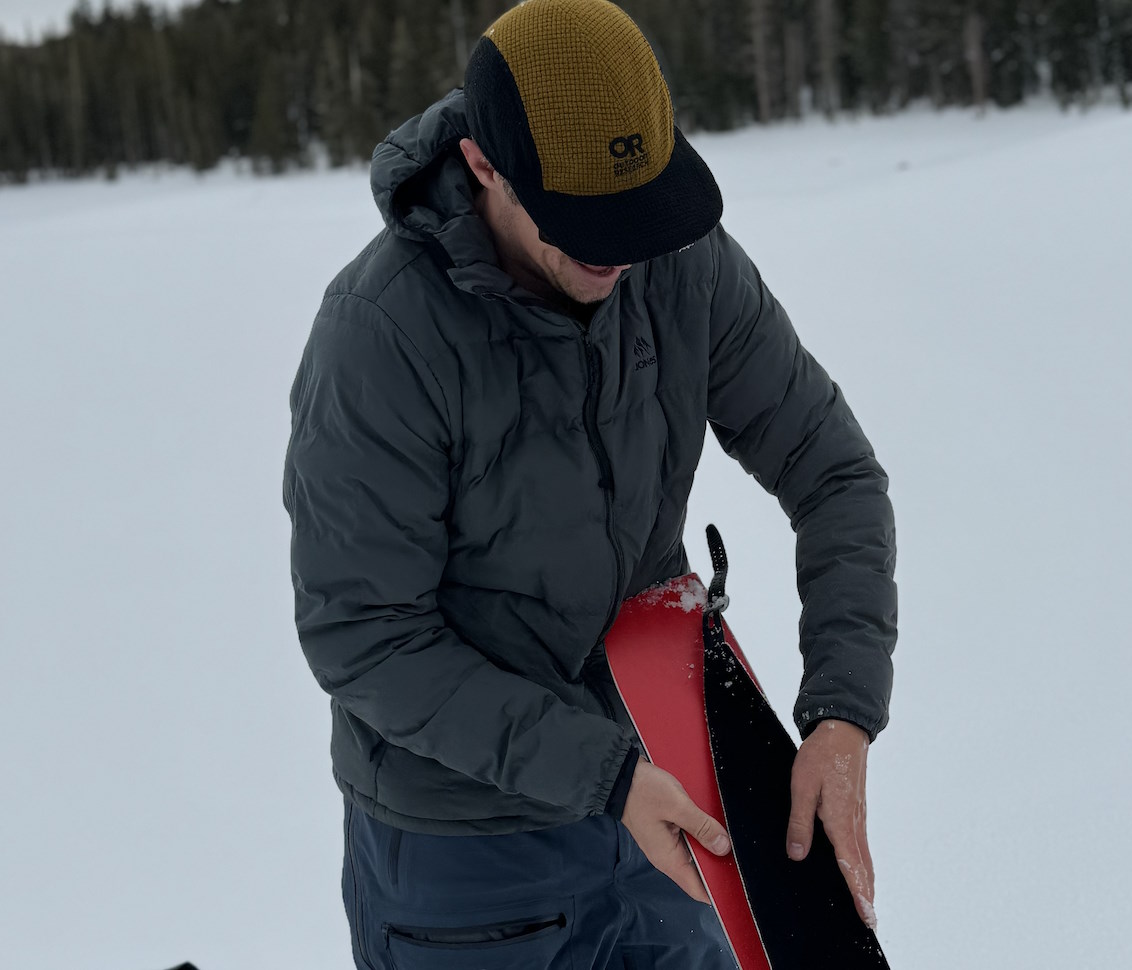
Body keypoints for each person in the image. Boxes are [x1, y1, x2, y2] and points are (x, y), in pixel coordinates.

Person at [282, 1, 896, 967]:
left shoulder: (679, 265)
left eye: (636, 217)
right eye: (582, 223)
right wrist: (603, 774)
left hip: (667, 786)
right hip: (465, 861)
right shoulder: (381, 337)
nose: (619, 252)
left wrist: (843, 713)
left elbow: (835, 474)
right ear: (484, 164)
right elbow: (363, 634)